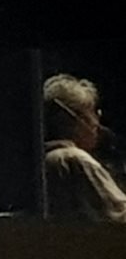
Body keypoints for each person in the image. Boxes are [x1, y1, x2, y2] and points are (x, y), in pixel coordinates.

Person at [43, 72, 126, 223]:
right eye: (93, 112)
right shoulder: (75, 159)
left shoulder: (44, 160)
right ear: (71, 118)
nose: (97, 122)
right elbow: (120, 216)